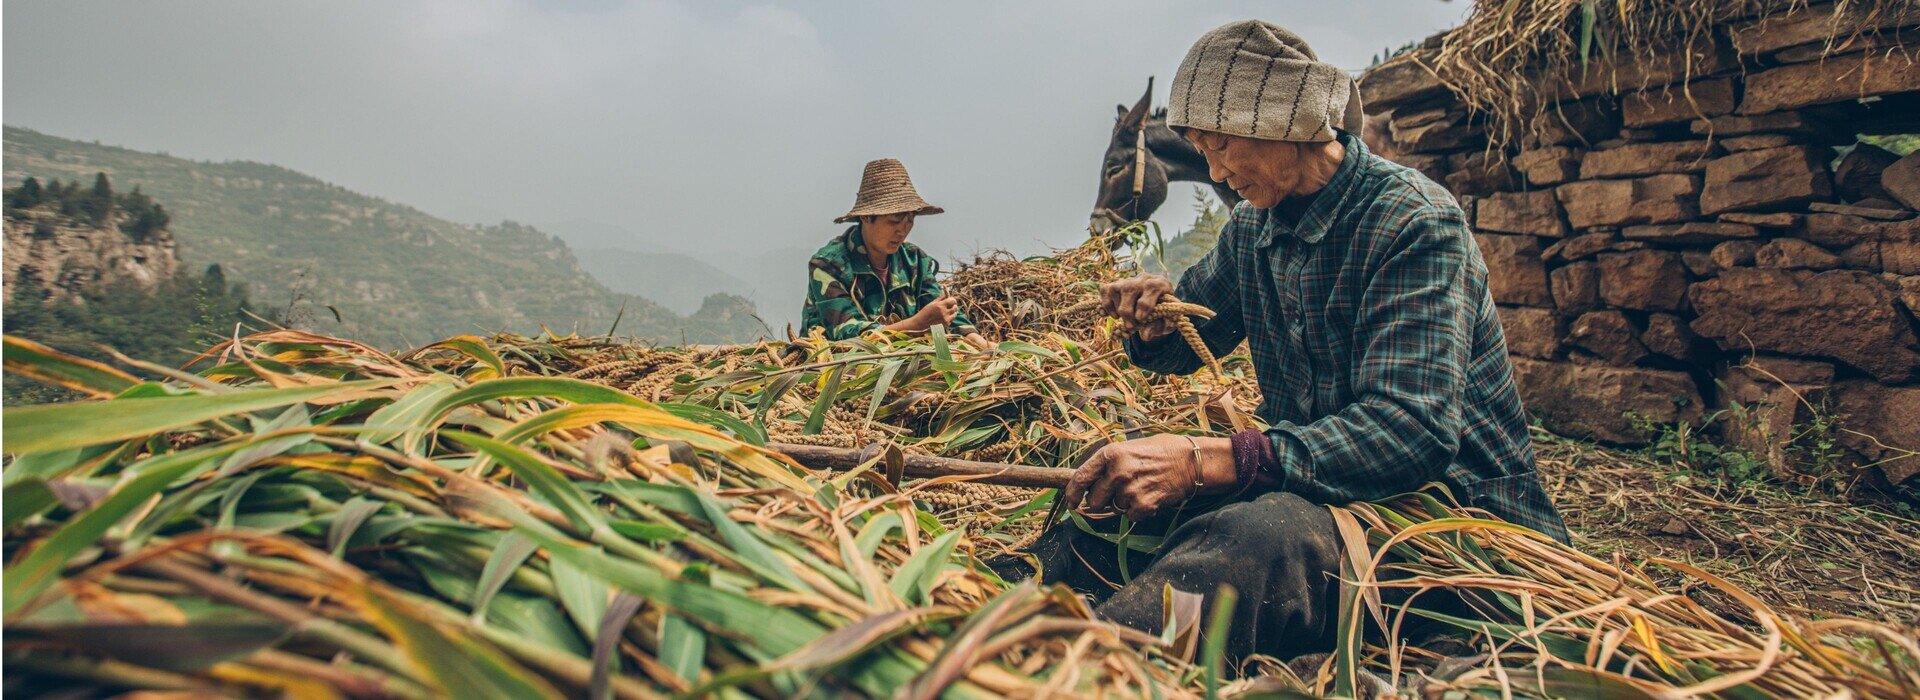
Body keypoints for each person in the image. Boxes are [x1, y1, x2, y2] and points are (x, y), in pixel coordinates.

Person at [1018, 20, 1569, 662]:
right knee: (1123, 493)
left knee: (1256, 537)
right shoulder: (1253, 233)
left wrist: (1210, 460)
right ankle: (1000, 599)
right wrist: (1148, 321)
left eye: (1225, 146)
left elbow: (1410, 429)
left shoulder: (1414, 223)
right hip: (1321, 494)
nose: (1218, 171)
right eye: (1203, 151)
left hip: (1444, 523)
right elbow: (1187, 341)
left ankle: (1113, 664)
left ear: (1290, 122)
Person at [802, 158, 992, 349]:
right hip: (841, 369)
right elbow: (848, 336)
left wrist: (976, 340)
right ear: (866, 217)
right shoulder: (829, 266)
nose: (903, 231)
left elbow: (942, 308)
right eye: (894, 221)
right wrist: (917, 324)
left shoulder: (914, 260)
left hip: (904, 362)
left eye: (910, 220)